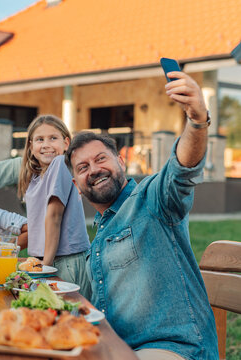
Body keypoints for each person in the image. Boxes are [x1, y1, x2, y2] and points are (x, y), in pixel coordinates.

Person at [64, 71, 218, 360]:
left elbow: (181, 171)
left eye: (100, 159)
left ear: (120, 162)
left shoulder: (152, 198)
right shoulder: (101, 230)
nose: (93, 169)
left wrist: (197, 121)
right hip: (118, 349)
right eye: (82, 168)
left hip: (177, 349)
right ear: (77, 185)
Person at [17, 115, 91, 299]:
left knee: (70, 316)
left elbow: (54, 217)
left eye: (53, 138)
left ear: (66, 143)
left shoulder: (60, 163)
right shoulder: (35, 178)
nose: (46, 144)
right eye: (40, 139)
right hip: (43, 259)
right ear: (31, 146)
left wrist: (46, 266)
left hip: (64, 261)